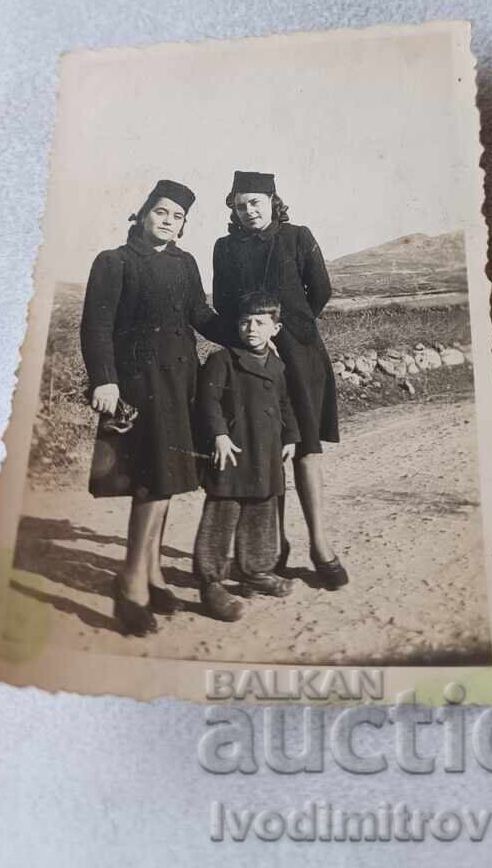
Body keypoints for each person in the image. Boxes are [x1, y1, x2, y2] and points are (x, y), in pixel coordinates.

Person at [80, 179, 224, 636]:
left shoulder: (185, 264)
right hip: (137, 386)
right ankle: (130, 586)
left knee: (168, 480)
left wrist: (245, 332)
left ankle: (154, 572)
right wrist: (104, 378)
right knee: (150, 482)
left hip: (181, 383)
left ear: (183, 227)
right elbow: (96, 326)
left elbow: (199, 316)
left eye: (178, 216)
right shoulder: (114, 263)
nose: (168, 221)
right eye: (161, 212)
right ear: (143, 214)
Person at [212, 170, 348, 589]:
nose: (248, 210)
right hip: (252, 359)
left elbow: (320, 290)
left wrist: (290, 328)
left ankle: (320, 547)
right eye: (240, 204)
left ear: (273, 200)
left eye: (255, 202)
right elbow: (221, 303)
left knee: (305, 444)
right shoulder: (225, 247)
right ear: (233, 209)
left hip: (300, 354)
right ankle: (275, 549)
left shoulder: (298, 237)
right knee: (265, 446)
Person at [193, 291, 299, 621]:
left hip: (265, 451)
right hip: (233, 450)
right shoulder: (222, 360)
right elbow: (208, 403)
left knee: (263, 510)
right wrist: (220, 436)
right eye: (244, 322)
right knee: (222, 514)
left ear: (275, 329)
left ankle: (255, 573)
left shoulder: (278, 366)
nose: (251, 328)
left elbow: (285, 406)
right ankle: (210, 581)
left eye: (260, 322)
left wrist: (291, 437)